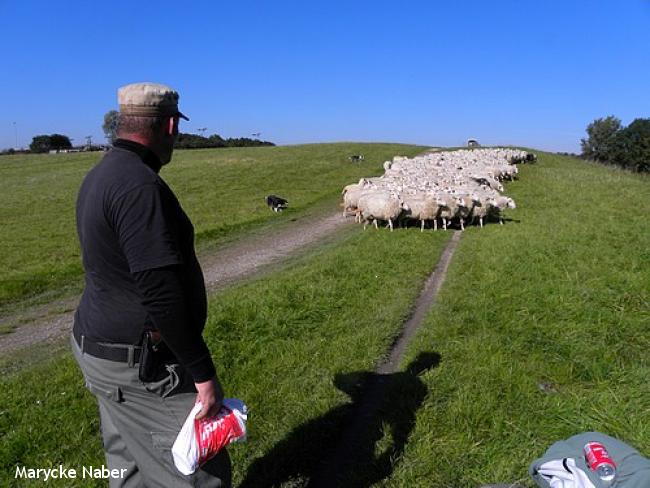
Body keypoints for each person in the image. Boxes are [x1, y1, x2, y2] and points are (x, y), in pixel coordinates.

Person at [71, 82, 231, 487]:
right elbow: (160, 290)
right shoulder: (140, 187)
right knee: (197, 472)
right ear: (170, 125)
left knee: (130, 466)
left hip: (99, 349)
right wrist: (202, 373)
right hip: (141, 366)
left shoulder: (101, 174)